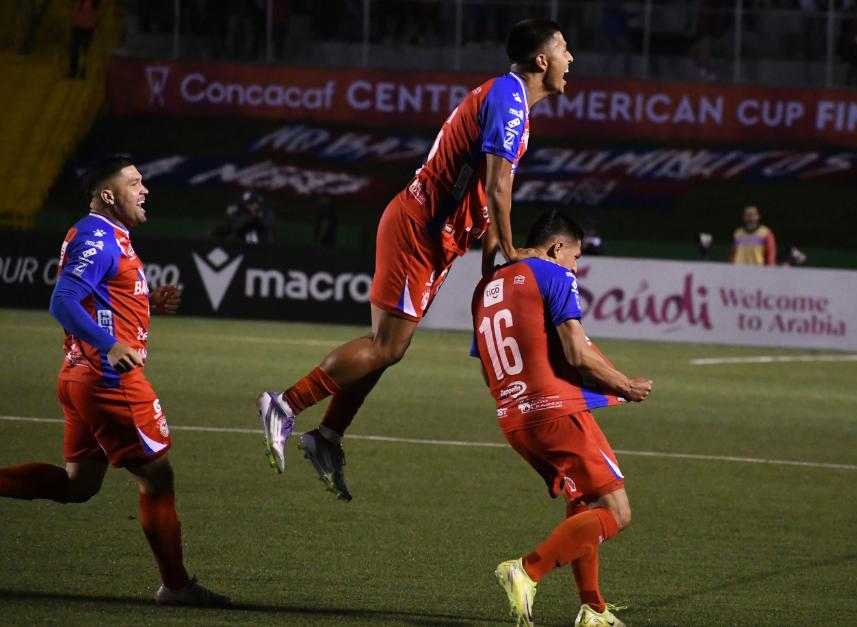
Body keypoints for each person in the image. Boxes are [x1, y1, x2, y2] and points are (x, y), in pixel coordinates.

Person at [257, 19, 575, 502]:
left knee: (387, 349)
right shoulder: (510, 102)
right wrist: (513, 253)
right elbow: (497, 188)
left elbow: (486, 198)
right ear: (541, 60)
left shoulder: (509, 102)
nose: (571, 60)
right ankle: (284, 406)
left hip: (433, 236)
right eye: (564, 50)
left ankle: (328, 436)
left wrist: (492, 268)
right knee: (387, 347)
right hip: (419, 229)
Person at [0, 156, 230, 607]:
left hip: (79, 377)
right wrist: (108, 344)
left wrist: (144, 308)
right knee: (158, 477)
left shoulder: (110, 237)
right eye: (135, 183)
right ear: (108, 195)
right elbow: (63, 300)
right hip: (109, 381)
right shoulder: (97, 236)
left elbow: (103, 299)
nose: (145, 190)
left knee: (79, 486)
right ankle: (176, 586)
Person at [469, 211, 653, 627]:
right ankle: (527, 569)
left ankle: (594, 610)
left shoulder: (485, 288)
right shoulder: (554, 276)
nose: (576, 266)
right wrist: (624, 385)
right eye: (576, 256)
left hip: (514, 419)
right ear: (557, 247)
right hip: (556, 411)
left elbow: (486, 366)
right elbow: (576, 353)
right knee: (616, 511)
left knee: (582, 500)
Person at [210, 190, 275, 244]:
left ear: (258, 203)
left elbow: (267, 225)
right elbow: (235, 226)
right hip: (241, 247)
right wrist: (249, 219)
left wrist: (256, 217)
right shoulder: (238, 212)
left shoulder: (266, 212)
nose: (250, 206)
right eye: (247, 203)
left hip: (263, 248)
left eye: (252, 203)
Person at [68, 0, 98, 79]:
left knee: (85, 50)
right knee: (75, 50)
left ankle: (82, 71)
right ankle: (73, 71)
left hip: (87, 28)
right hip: (78, 26)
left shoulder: (92, 2)